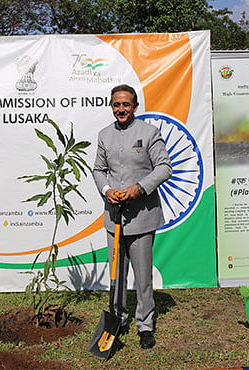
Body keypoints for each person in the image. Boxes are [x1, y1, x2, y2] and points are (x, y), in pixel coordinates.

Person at [93, 84, 172, 350]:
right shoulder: (104, 135)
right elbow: (98, 169)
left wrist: (139, 188)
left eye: (126, 104)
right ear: (112, 106)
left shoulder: (149, 133)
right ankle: (118, 319)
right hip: (114, 217)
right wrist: (107, 190)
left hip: (142, 218)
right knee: (116, 274)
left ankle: (145, 324)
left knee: (142, 277)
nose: (121, 109)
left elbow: (164, 168)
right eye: (117, 104)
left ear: (135, 107)